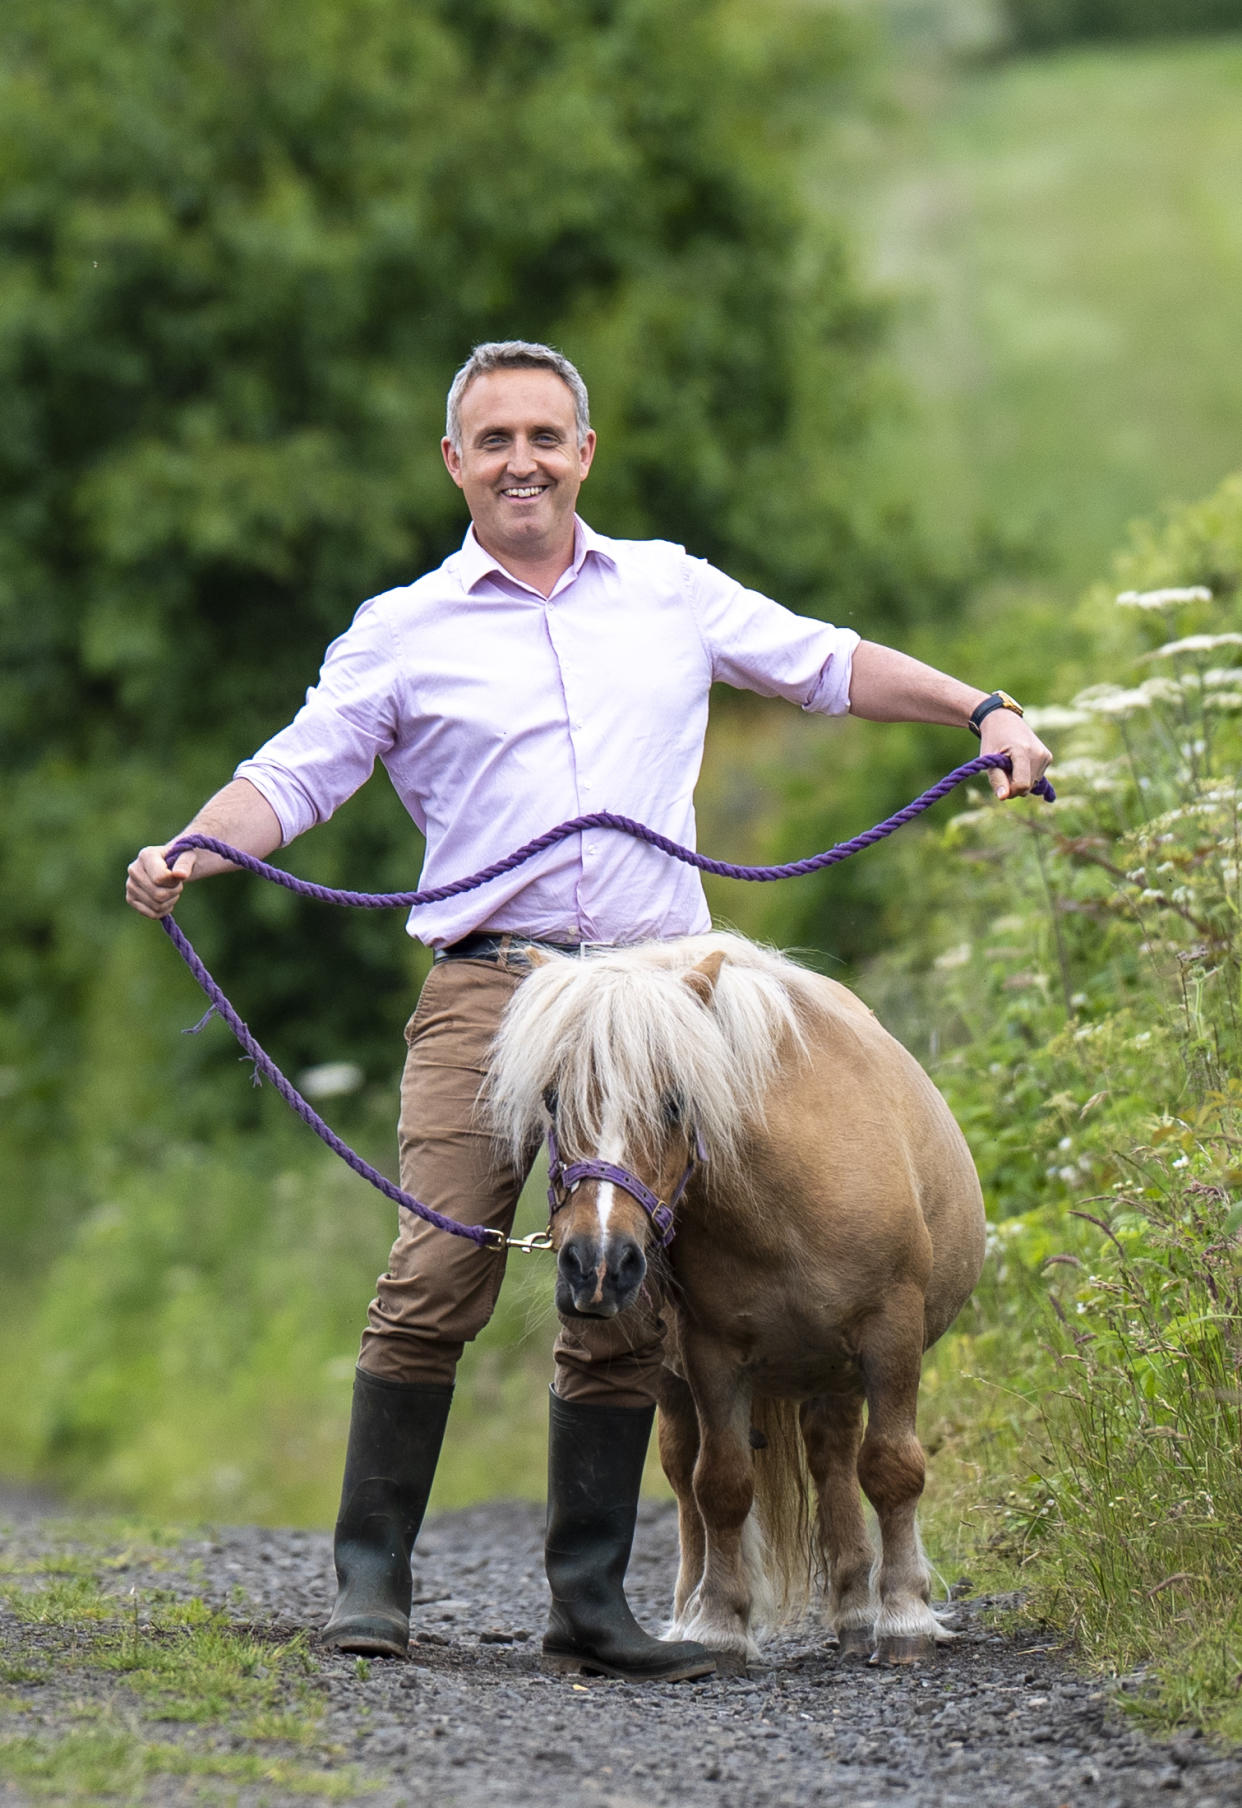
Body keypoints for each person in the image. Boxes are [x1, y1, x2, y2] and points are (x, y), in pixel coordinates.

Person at [127, 339, 1052, 1684]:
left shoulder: (668, 591)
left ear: (584, 454)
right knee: (434, 1276)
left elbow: (827, 664)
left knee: (620, 1292)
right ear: (455, 462)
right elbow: (295, 774)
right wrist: (197, 850)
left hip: (658, 996)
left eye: (544, 437)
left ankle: (592, 1602)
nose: (522, 461)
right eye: (493, 439)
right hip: (493, 992)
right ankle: (371, 1578)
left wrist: (981, 709)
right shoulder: (402, 629)